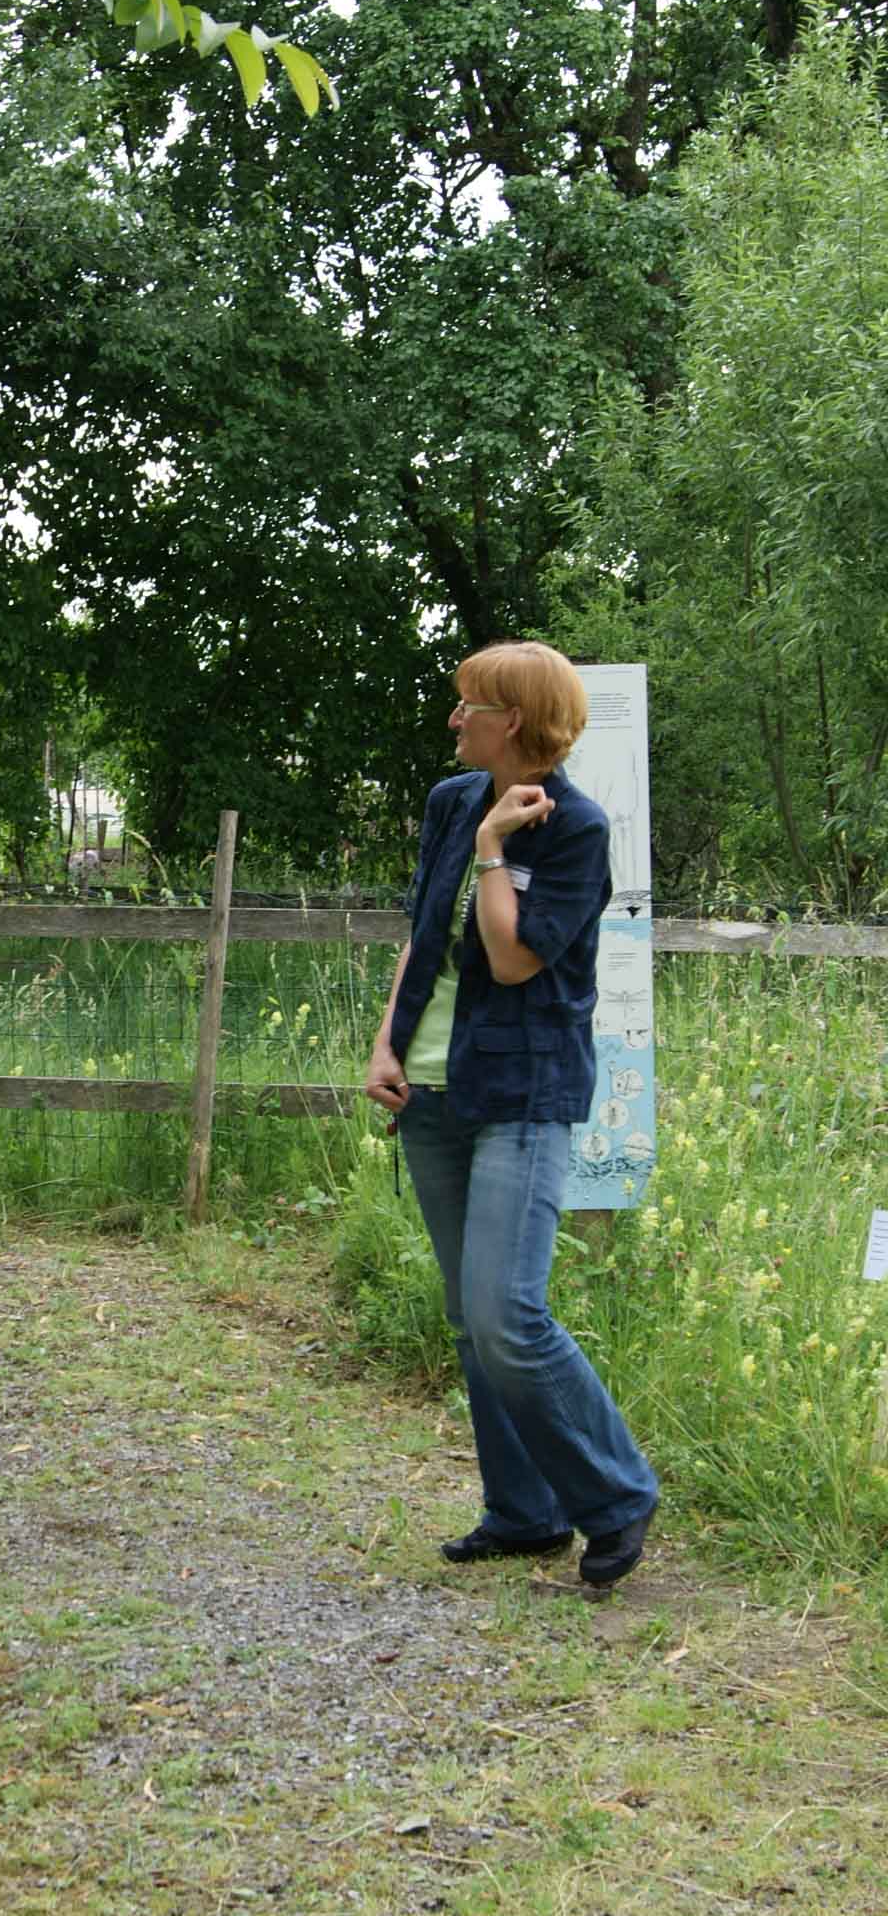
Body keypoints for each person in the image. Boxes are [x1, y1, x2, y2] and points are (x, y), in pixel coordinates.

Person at [363, 642, 659, 1591]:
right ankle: (525, 1513)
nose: (455, 719)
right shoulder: (452, 801)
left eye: (471, 706)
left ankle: (617, 1494)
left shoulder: (574, 829)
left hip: (524, 1094)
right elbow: (423, 935)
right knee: (470, 1317)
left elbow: (515, 957)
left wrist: (495, 848)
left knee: (508, 1315)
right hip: (431, 1088)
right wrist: (387, 1043)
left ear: (515, 722)